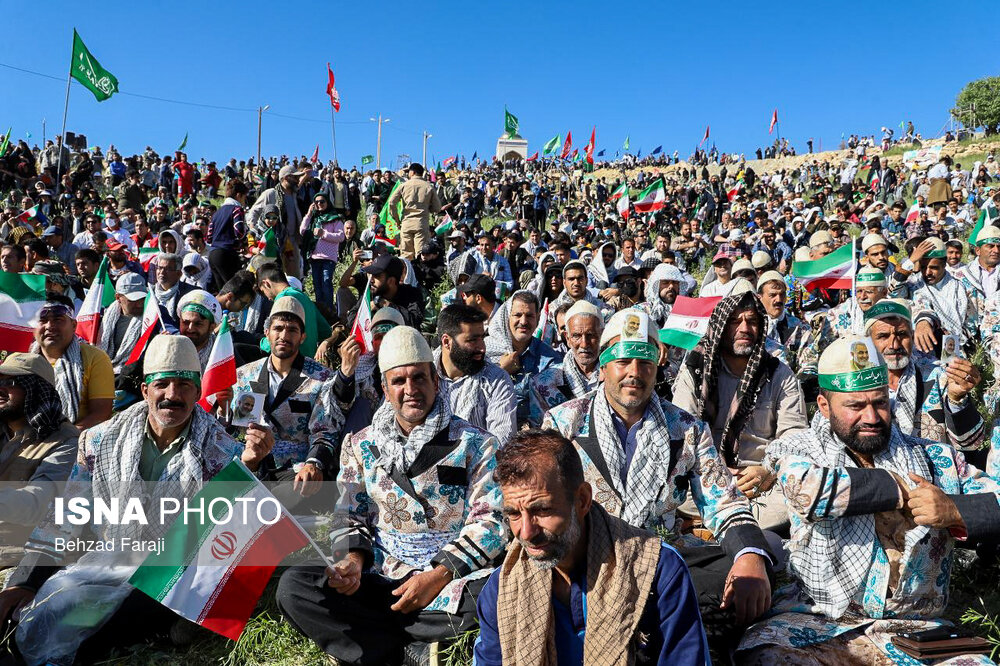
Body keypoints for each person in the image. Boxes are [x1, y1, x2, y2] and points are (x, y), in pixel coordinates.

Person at [3, 335, 274, 665]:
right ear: (145, 390)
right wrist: (25, 581)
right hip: (107, 555)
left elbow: (228, 528)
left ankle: (169, 619)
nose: (172, 395)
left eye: (184, 385)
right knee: (38, 609)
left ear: (198, 392)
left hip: (170, 570)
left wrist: (250, 466)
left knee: (89, 624)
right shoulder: (99, 441)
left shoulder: (223, 451)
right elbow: (67, 515)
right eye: (162, 384)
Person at [738, 335, 1000, 665]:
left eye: (879, 403)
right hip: (817, 625)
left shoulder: (935, 459)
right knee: (768, 658)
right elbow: (806, 489)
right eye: (855, 406)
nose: (872, 417)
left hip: (915, 632)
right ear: (823, 405)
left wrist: (953, 509)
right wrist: (902, 491)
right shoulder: (800, 451)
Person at [276, 326, 505, 666]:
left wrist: (437, 575)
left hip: (448, 579)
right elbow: (348, 513)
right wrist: (353, 561)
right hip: (381, 572)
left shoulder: (476, 443)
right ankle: (398, 652)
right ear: (384, 388)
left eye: (419, 378)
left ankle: (374, 639)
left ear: (436, 382)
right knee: (295, 587)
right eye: (399, 381)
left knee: (499, 594)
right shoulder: (359, 444)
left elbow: (491, 519)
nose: (410, 390)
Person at [541, 310, 773, 638]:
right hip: (585, 561)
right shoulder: (563, 424)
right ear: (603, 366)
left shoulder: (687, 429)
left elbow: (723, 501)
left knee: (756, 567)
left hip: (661, 559)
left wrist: (749, 556)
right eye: (623, 362)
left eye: (645, 362)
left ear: (656, 367)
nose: (634, 373)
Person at [474, 429, 709, 665]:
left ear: (583, 500)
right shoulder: (502, 590)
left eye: (543, 510)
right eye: (514, 514)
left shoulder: (656, 571)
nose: (526, 532)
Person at [672, 287, 809, 529]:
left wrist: (768, 471)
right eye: (735, 321)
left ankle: (723, 522)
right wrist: (715, 471)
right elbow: (683, 434)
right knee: (675, 493)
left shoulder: (780, 375)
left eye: (752, 321)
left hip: (762, 484)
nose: (744, 328)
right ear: (721, 326)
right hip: (705, 478)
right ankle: (732, 520)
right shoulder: (695, 371)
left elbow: (794, 437)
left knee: (798, 495)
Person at [231, 296, 345, 512]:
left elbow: (324, 431)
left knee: (287, 496)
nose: (284, 336)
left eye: (292, 330)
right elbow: (242, 426)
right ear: (267, 333)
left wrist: (314, 464)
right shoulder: (245, 376)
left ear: (302, 337)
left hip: (297, 467)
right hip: (255, 461)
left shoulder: (321, 377)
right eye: (278, 328)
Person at [864, 299, 985, 450]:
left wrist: (956, 399)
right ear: (868, 342)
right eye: (883, 336)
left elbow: (972, 444)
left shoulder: (939, 377)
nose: (894, 345)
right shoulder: (857, 386)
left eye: (902, 334)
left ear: (912, 336)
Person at [0, 353, 78, 567]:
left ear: (35, 390)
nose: (0, 388)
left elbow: (41, 504)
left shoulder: (66, 441)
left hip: (18, 554)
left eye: (10, 382)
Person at [435, 303, 517, 444]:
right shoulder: (421, 377)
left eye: (482, 338)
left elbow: (501, 443)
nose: (482, 348)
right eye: (472, 340)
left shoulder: (496, 380)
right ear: (447, 342)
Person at [30, 296, 114, 429]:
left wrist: (65, 437)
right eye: (43, 320)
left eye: (58, 320)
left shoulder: (95, 358)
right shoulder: (24, 361)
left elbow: (101, 413)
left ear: (74, 325)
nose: (50, 326)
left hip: (75, 438)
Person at [486, 290, 562, 426]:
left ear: (537, 319)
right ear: (507, 317)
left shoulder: (550, 359)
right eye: (518, 315)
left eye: (529, 316)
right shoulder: (485, 350)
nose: (523, 321)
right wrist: (501, 370)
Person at [890, 236, 978, 348]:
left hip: (956, 346)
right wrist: (911, 260)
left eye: (934, 268)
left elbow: (972, 321)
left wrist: (957, 342)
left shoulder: (962, 287)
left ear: (944, 264)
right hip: (919, 347)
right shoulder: (914, 284)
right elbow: (893, 293)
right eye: (923, 267)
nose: (927, 272)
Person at [256, 262, 332, 359]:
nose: (268, 298)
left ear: (266, 283)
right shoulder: (304, 297)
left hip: (290, 362)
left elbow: (273, 342)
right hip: (309, 362)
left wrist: (261, 342)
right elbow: (325, 331)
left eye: (263, 292)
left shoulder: (283, 299)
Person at [247, 164, 305, 277]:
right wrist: (253, 229)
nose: (298, 180)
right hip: (271, 244)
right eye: (295, 177)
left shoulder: (294, 196)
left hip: (290, 243)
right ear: (286, 178)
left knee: (293, 278)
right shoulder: (271, 194)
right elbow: (253, 212)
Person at [545, 300, 603, 404]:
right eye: (576, 336)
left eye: (591, 335)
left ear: (602, 335)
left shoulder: (616, 375)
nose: (584, 344)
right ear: (567, 338)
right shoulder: (545, 383)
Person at [300, 191, 345, 317]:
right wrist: (309, 214)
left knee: (326, 282)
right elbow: (302, 230)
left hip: (329, 257)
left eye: (322, 201)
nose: (319, 204)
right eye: (317, 202)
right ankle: (321, 311)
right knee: (317, 285)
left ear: (327, 202)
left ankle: (330, 310)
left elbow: (341, 236)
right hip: (315, 256)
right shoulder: (314, 218)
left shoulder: (335, 218)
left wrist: (323, 234)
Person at [354, 254, 425, 329]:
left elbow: (414, 322)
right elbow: (352, 318)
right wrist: (366, 312)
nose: (371, 280)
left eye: (377, 276)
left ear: (391, 281)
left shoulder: (411, 293)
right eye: (371, 275)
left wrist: (385, 304)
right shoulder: (371, 292)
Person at [388, 162, 443, 259]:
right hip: (421, 223)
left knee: (406, 255)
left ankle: (407, 273)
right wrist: (427, 207)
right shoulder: (428, 186)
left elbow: (391, 203)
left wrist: (397, 220)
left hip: (406, 223)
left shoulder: (404, 185)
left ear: (412, 172)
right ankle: (420, 273)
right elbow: (438, 208)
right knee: (421, 254)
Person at [97, 272, 148, 374]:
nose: (139, 304)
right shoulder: (103, 319)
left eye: (142, 299)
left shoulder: (151, 315)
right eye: (133, 300)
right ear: (118, 297)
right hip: (104, 371)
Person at [206, 178, 249, 292]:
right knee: (236, 291)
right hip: (226, 254)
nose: (245, 200)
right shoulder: (236, 209)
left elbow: (209, 237)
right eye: (244, 197)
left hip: (213, 255)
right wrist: (244, 239)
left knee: (223, 292)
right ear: (239, 195)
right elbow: (239, 232)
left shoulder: (217, 212)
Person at [176, 289, 223, 371]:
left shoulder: (223, 353)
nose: (190, 329)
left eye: (198, 324)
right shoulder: (171, 349)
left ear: (212, 327)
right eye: (186, 322)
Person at [151, 252, 197, 333]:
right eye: (159, 268)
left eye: (167, 269)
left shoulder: (191, 293)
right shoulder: (150, 293)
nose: (162, 272)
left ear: (179, 273)